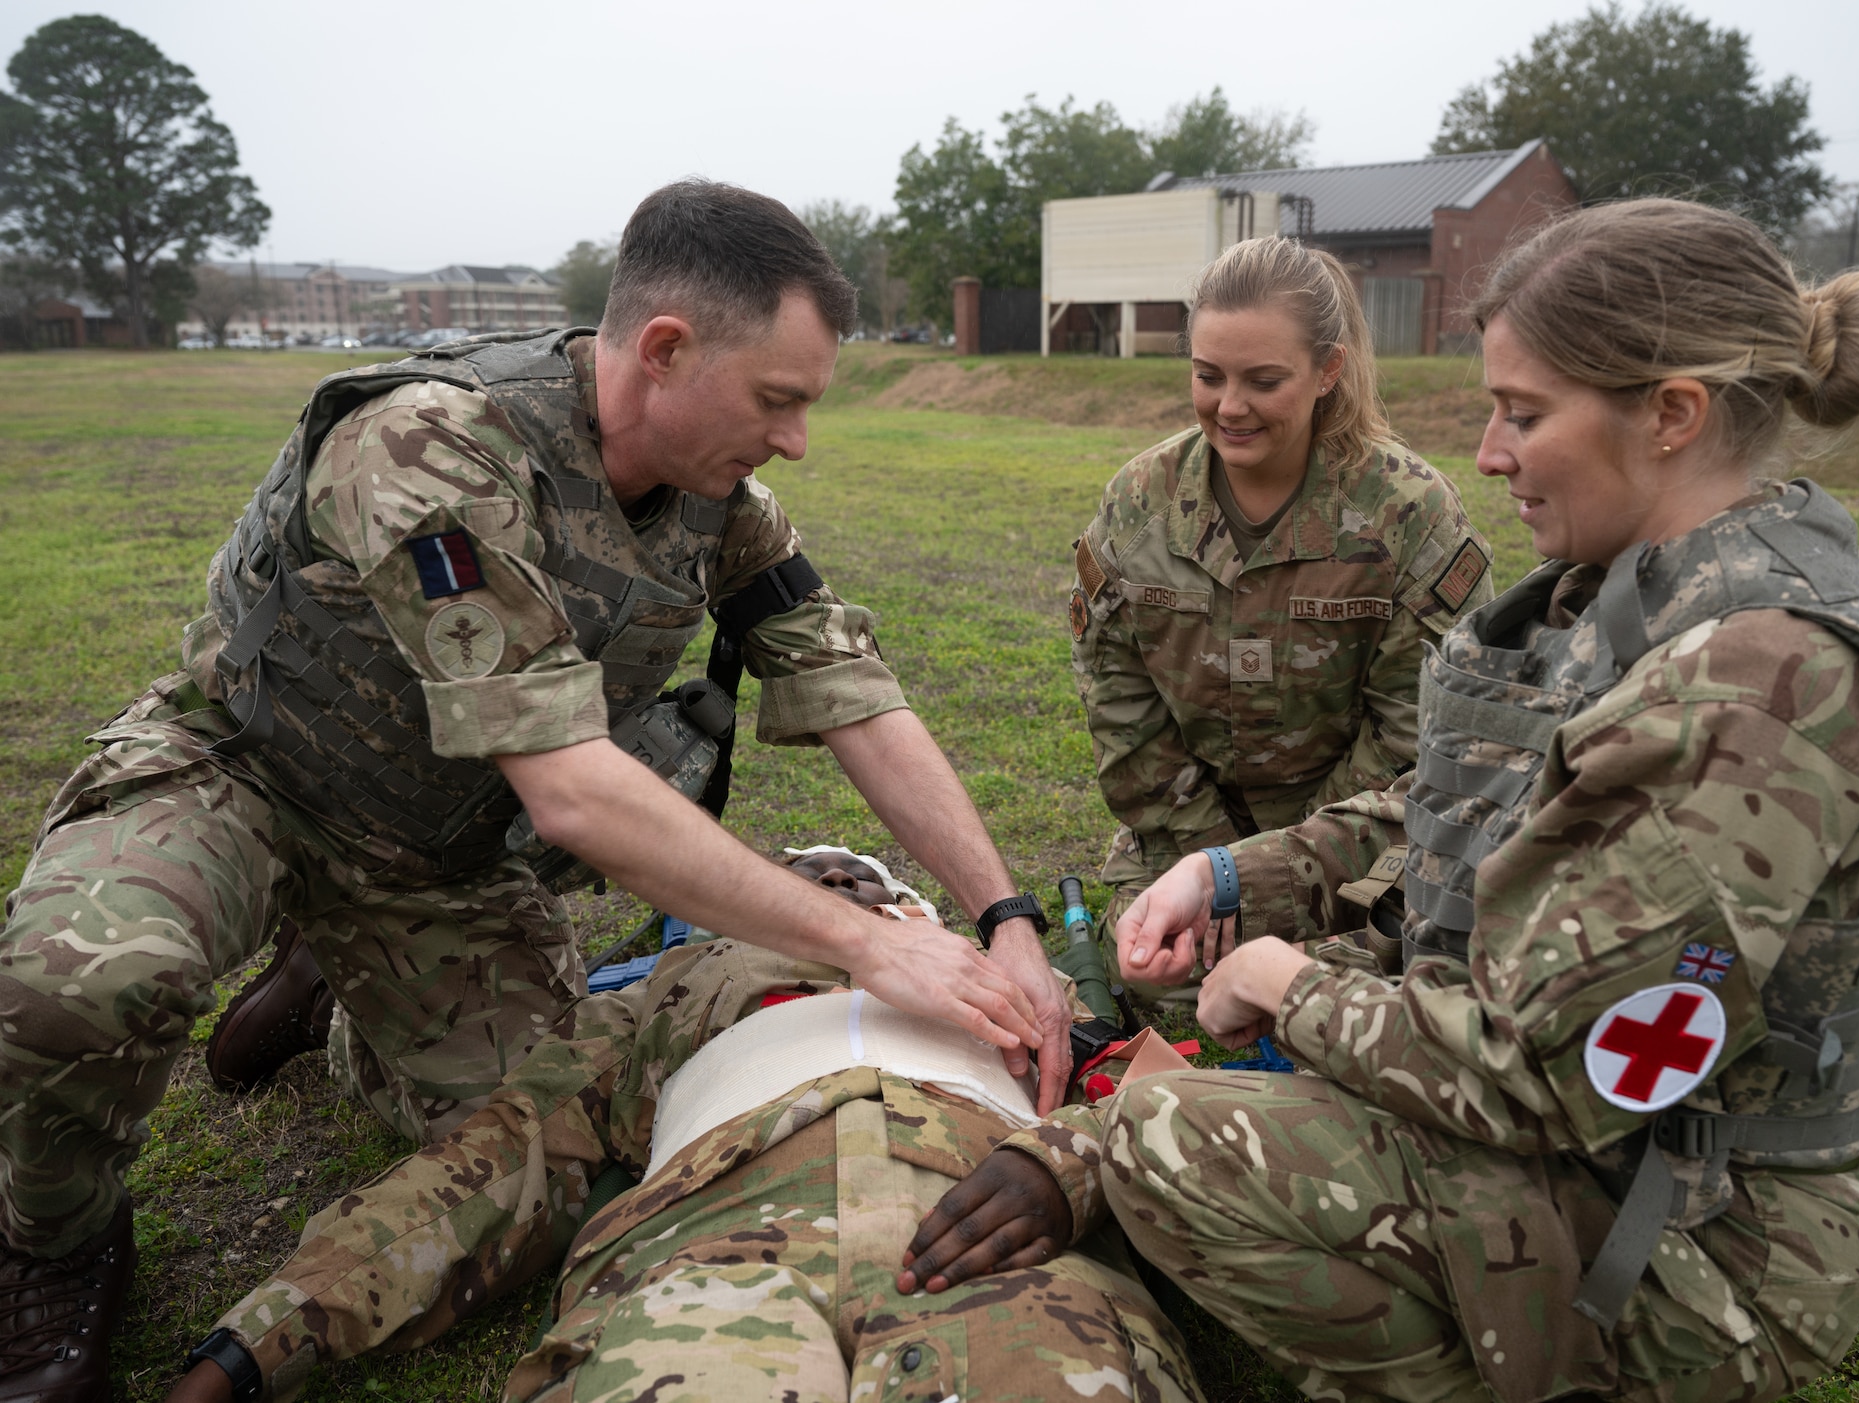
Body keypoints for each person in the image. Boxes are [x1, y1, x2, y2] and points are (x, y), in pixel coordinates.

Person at [0, 181, 1070, 1400]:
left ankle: (329, 990)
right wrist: (866, 945)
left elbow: (855, 692)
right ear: (664, 350)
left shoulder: (721, 511)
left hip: (432, 857)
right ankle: (52, 1240)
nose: (794, 439)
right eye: (777, 399)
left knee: (527, 1130)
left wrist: (1006, 917)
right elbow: (571, 795)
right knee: (79, 983)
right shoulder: (431, 444)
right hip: (246, 774)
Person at [1106, 199, 1859, 1401]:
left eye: (1523, 413)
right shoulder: (1636, 597)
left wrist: (1282, 981)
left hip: (1705, 1231)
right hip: (1622, 1148)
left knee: (1168, 1137)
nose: (1489, 454)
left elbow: (1533, 1070)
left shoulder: (1761, 684)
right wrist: (1234, 874)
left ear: (1669, 414)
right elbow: (1466, 799)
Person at [165, 864, 1202, 1403]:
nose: (845, 895)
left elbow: (1183, 1119)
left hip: (1014, 1245)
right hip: (711, 1248)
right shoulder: (677, 990)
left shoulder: (1034, 989)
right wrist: (248, 1346)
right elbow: (493, 1164)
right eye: (805, 885)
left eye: (868, 886)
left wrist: (1064, 1159)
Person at [1069, 235, 1493, 998]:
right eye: (1208, 376)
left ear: (1327, 370)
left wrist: (1272, 878)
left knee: (1336, 985)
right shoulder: (1141, 501)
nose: (1229, 406)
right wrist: (1209, 862)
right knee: (1152, 970)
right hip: (1183, 829)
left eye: (1264, 380)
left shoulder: (1406, 513)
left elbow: (1418, 734)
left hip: (1356, 845)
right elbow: (1119, 700)